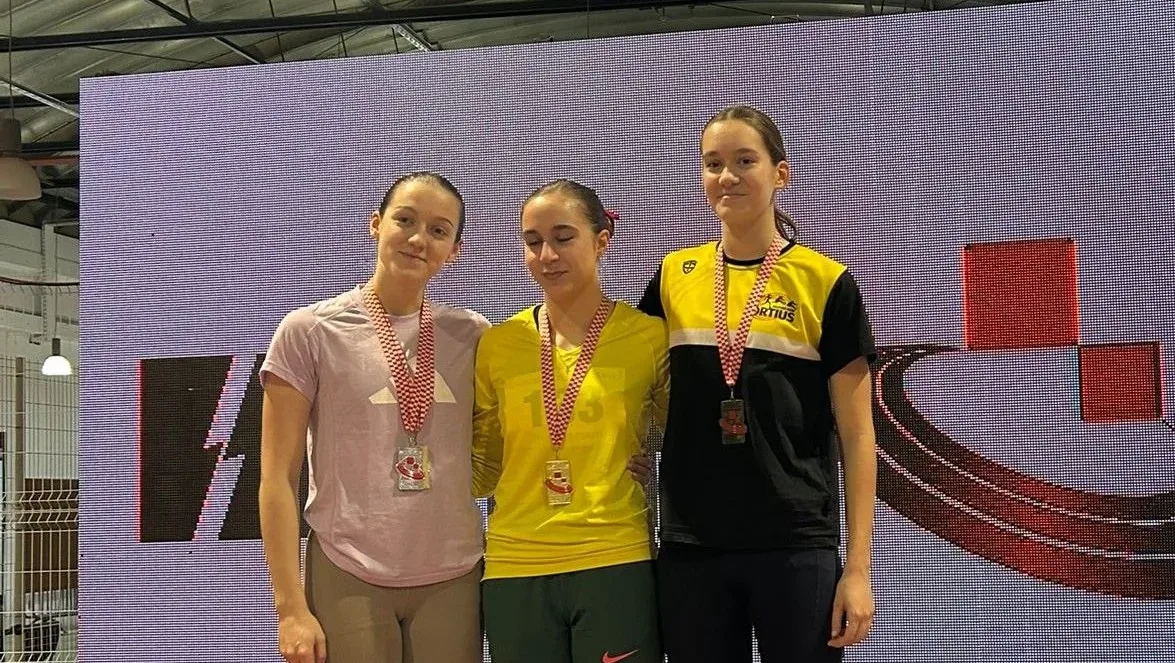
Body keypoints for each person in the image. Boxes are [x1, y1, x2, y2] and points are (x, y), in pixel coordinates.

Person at [638, 105, 878, 663]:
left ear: (780, 173)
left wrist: (859, 569)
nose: (727, 176)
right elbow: (637, 388)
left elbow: (859, 436)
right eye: (712, 164)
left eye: (745, 161)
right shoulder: (674, 276)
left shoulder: (826, 282)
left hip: (795, 544)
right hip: (692, 545)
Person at [259, 172, 486, 663]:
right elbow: (277, 478)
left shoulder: (474, 335)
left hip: (454, 572)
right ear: (376, 224)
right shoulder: (309, 331)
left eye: (438, 230)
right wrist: (289, 609)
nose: (418, 239)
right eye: (405, 220)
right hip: (348, 568)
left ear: (455, 250)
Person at [472, 179, 668, 663]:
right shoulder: (498, 344)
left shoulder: (647, 337)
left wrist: (652, 469)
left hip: (614, 555)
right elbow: (484, 468)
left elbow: (685, 439)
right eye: (532, 241)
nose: (546, 255)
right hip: (515, 562)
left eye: (563, 238)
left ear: (602, 241)